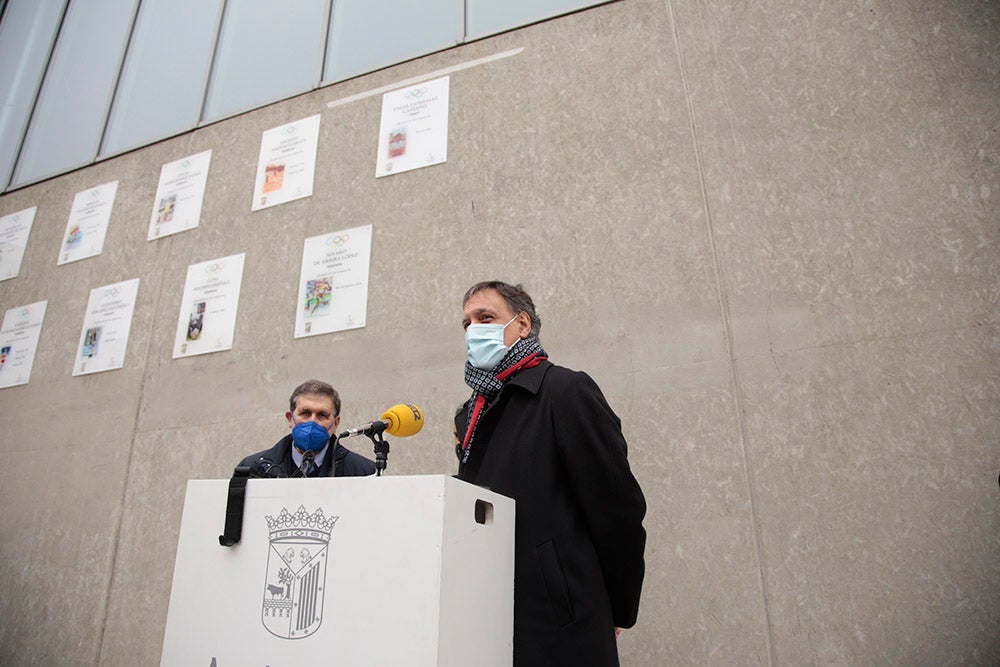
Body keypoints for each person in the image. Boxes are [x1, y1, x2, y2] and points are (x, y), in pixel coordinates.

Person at [454, 281, 647, 666]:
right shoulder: (471, 413)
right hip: (491, 615)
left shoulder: (565, 392)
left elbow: (616, 508)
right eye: (466, 323)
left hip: (562, 620)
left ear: (522, 324)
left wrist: (616, 607)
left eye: (485, 317)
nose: (474, 330)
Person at [239, 379, 375, 477]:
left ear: (336, 423)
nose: (312, 421)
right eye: (305, 413)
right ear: (290, 418)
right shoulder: (252, 468)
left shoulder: (364, 472)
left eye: (322, 415)